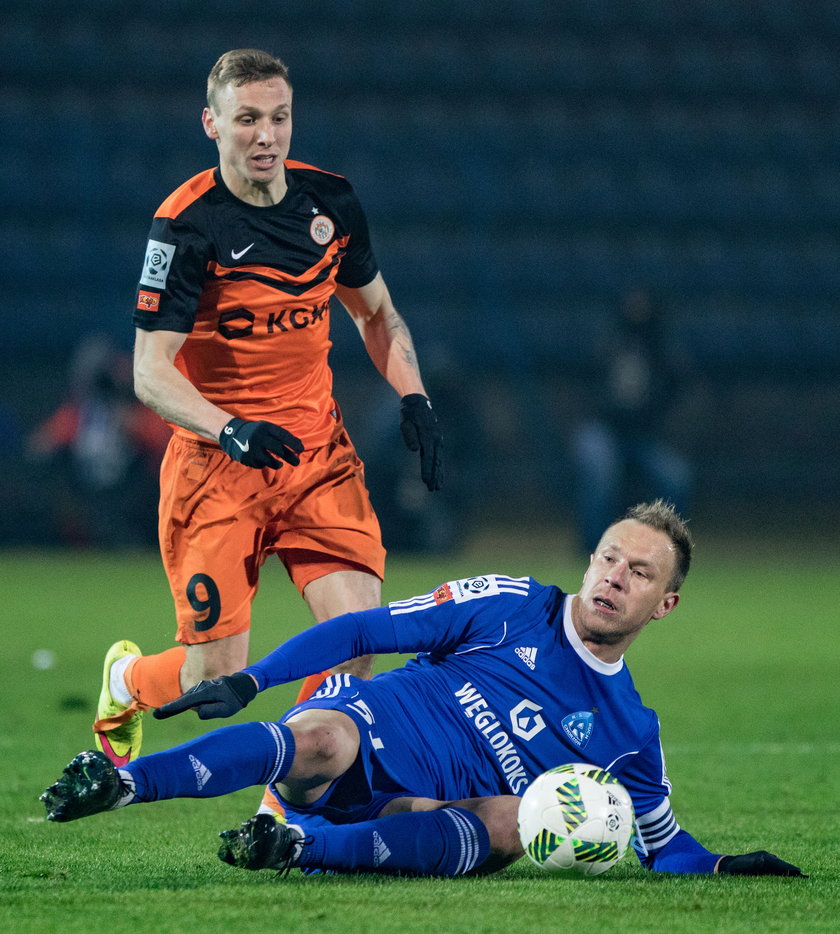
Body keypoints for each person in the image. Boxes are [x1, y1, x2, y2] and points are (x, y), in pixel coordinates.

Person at [43, 501, 804, 879]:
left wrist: (720, 869)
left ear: (663, 605)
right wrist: (253, 677)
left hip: (420, 814)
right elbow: (363, 632)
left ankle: (300, 847)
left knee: (515, 824)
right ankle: (119, 784)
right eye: (609, 558)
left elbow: (662, 846)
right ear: (589, 561)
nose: (615, 578)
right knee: (323, 736)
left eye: (640, 573)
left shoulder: (629, 730)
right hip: (364, 734)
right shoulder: (513, 604)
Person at [92, 49, 443, 768]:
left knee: (357, 644)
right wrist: (230, 427)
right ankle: (126, 681)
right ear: (211, 124)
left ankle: (292, 802)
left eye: (278, 118)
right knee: (211, 678)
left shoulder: (331, 204)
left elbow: (376, 316)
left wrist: (414, 394)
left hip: (317, 459)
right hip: (218, 469)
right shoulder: (187, 226)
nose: (266, 135)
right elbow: (149, 372)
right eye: (247, 118)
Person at [569, 288, 693, 554]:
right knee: (599, 470)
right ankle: (594, 547)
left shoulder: (662, 351)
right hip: (606, 430)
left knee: (676, 478)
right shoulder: (608, 345)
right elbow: (587, 389)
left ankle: (666, 549)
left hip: (644, 435)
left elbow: (677, 391)